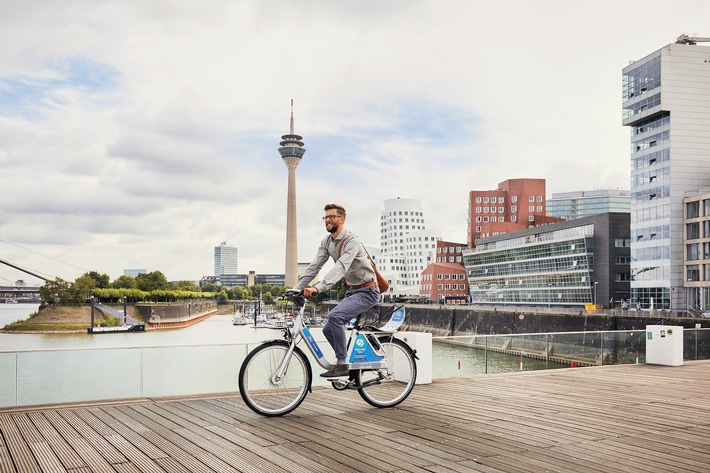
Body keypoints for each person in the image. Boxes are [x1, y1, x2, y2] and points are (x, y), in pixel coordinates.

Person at [292, 204, 380, 378]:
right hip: (352, 292)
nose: (328, 220)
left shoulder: (351, 241)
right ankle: (346, 361)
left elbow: (340, 268)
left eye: (332, 216)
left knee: (335, 317)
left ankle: (342, 364)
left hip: (368, 291)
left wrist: (318, 287)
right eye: (326, 217)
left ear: (342, 219)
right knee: (327, 329)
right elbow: (314, 266)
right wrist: (296, 288)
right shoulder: (327, 241)